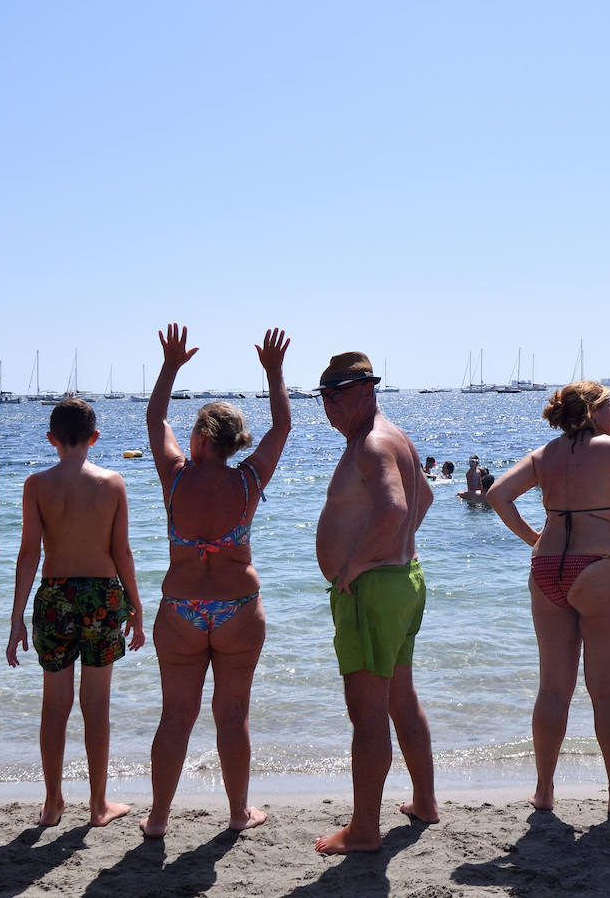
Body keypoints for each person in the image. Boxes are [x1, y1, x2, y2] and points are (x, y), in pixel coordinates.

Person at [141, 324, 290, 836]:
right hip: (238, 609)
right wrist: (273, 372)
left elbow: (155, 416)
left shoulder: (176, 476)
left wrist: (170, 366)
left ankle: (158, 819)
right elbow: (282, 428)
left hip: (181, 610)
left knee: (176, 717)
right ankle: (237, 814)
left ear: (202, 439)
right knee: (233, 717)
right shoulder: (248, 480)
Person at [487, 381, 610, 813]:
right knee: (608, 690)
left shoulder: (545, 454)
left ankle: (544, 790)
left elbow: (497, 494)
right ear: (595, 411)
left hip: (546, 569)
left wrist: (533, 538)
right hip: (599, 568)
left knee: (553, 689)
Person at [314, 351, 438, 854]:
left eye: (339, 394)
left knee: (368, 717)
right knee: (400, 700)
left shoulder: (370, 445)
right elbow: (424, 498)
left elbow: (398, 506)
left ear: (368, 389)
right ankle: (425, 802)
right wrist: (395, 550)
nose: (330, 405)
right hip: (402, 581)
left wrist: (358, 566)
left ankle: (364, 829)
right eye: (324, 396)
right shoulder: (395, 436)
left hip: (375, 590)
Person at [6, 398, 145, 827]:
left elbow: (29, 553)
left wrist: (16, 618)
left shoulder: (37, 485)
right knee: (96, 705)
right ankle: (99, 805)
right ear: (95, 438)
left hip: (54, 596)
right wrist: (137, 606)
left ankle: (52, 804)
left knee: (55, 706)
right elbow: (121, 551)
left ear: (52, 439)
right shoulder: (112, 483)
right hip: (102, 597)